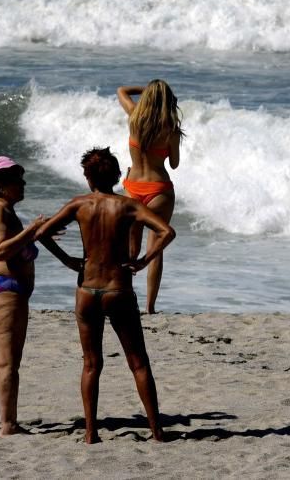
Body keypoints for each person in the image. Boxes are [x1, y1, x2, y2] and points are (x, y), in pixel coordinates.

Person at [36, 147, 175, 444]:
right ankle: (157, 431)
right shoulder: (126, 206)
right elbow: (166, 231)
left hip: (87, 289)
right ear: (116, 176)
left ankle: (90, 433)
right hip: (118, 289)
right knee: (138, 362)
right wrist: (145, 260)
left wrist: (68, 260)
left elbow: (40, 233)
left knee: (91, 364)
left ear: (88, 178)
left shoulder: (79, 205)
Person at [0, 156, 74, 435]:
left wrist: (40, 232)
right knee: (6, 363)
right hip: (4, 293)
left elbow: (15, 242)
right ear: (0, 185)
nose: (23, 183)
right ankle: (8, 424)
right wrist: (31, 230)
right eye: (17, 179)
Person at [117, 80, 184, 314]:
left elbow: (121, 90)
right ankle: (150, 307)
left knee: (129, 248)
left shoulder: (134, 116)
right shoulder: (171, 129)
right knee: (155, 249)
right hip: (159, 190)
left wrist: (144, 92)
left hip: (133, 188)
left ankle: (124, 297)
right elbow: (174, 164)